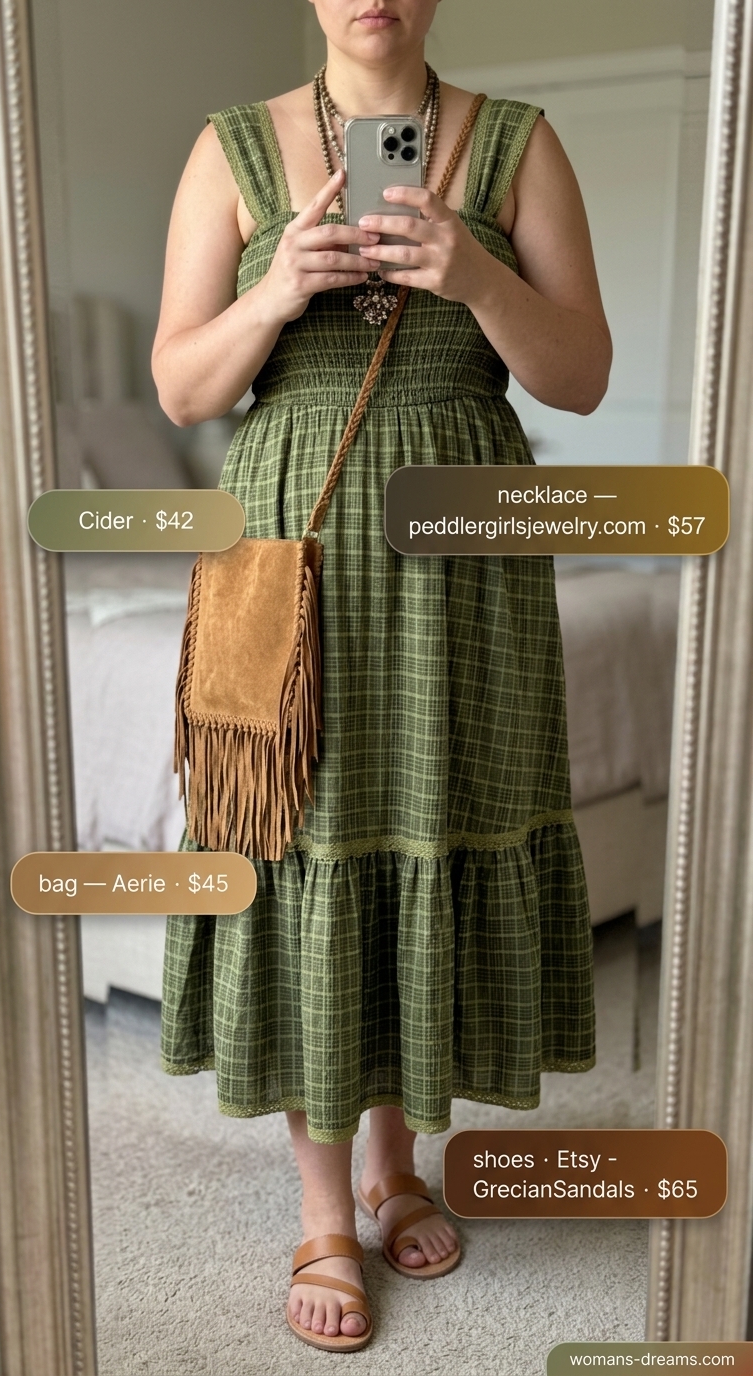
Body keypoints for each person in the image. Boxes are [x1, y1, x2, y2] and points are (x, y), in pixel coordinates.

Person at [153, 0, 611, 1353]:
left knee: (439, 823)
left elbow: (579, 374)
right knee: (310, 837)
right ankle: (322, 1209)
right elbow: (183, 388)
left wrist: (474, 277)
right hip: (290, 541)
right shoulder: (228, 148)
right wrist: (280, 286)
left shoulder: (519, 143)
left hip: (467, 547)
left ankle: (399, 1160)